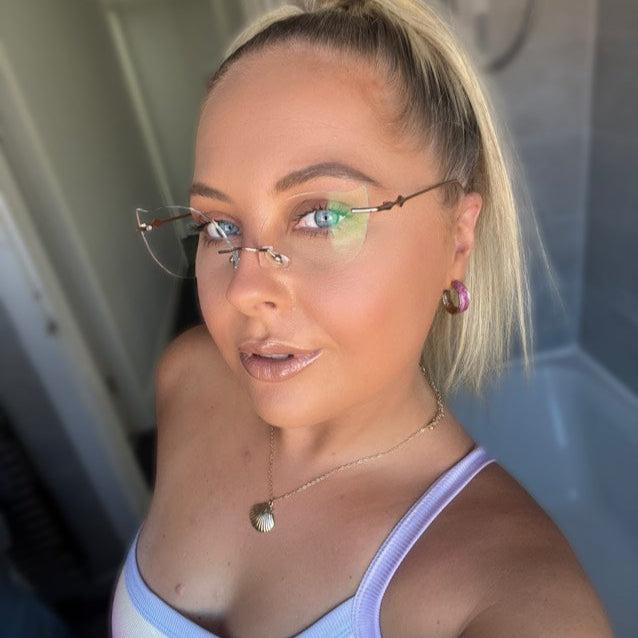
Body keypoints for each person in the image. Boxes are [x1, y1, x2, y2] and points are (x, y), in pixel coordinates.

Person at [112, 1, 613, 636]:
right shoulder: (190, 377)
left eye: (322, 215)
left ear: (457, 238)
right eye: (219, 226)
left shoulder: (505, 594)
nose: (243, 290)